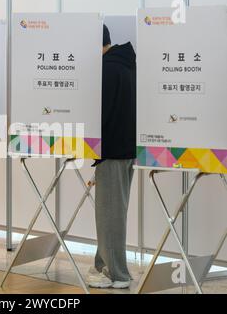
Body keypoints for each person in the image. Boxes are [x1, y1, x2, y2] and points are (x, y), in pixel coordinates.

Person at [87, 25, 136, 289]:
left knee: (110, 214)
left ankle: (118, 274)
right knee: (112, 212)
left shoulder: (107, 69)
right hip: (127, 149)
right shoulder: (127, 63)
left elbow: (100, 114)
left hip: (112, 151)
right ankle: (104, 266)